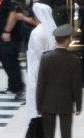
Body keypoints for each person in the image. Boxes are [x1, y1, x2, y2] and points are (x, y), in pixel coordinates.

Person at [37, 24, 83, 138]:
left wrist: (38, 104)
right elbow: (76, 85)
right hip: (66, 103)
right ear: (68, 39)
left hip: (48, 104)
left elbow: (41, 84)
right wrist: (79, 104)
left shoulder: (45, 57)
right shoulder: (74, 60)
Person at [24, 2, 58, 130]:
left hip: (37, 70)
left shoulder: (36, 33)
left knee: (35, 102)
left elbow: (36, 55)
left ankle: (37, 133)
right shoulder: (53, 30)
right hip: (51, 70)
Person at [0, 0, 27, 99]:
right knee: (5, 61)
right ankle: (12, 87)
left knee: (11, 61)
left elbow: (13, 14)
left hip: (11, 36)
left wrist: (7, 31)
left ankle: (20, 88)